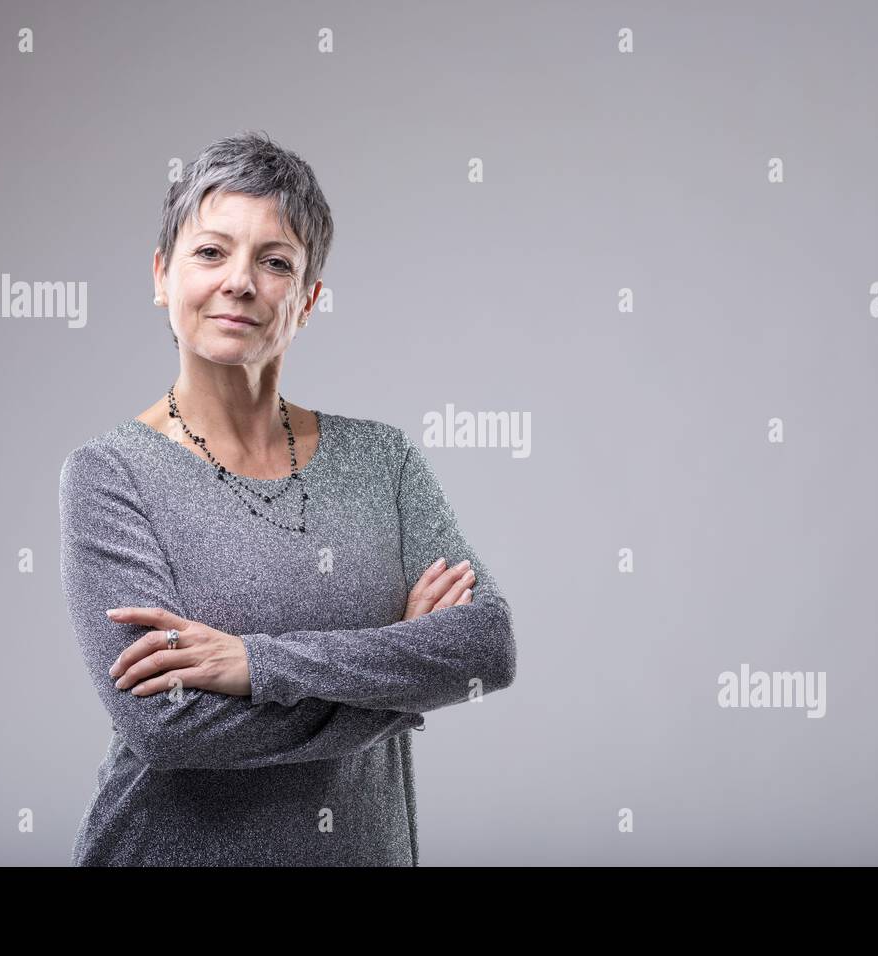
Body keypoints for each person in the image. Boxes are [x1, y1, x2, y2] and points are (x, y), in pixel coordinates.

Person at [58, 130, 516, 865]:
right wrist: (399, 681)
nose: (239, 281)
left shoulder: (382, 460)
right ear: (160, 276)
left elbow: (486, 647)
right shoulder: (112, 474)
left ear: (307, 301)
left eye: (274, 262)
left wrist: (254, 665)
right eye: (210, 252)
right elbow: (167, 731)